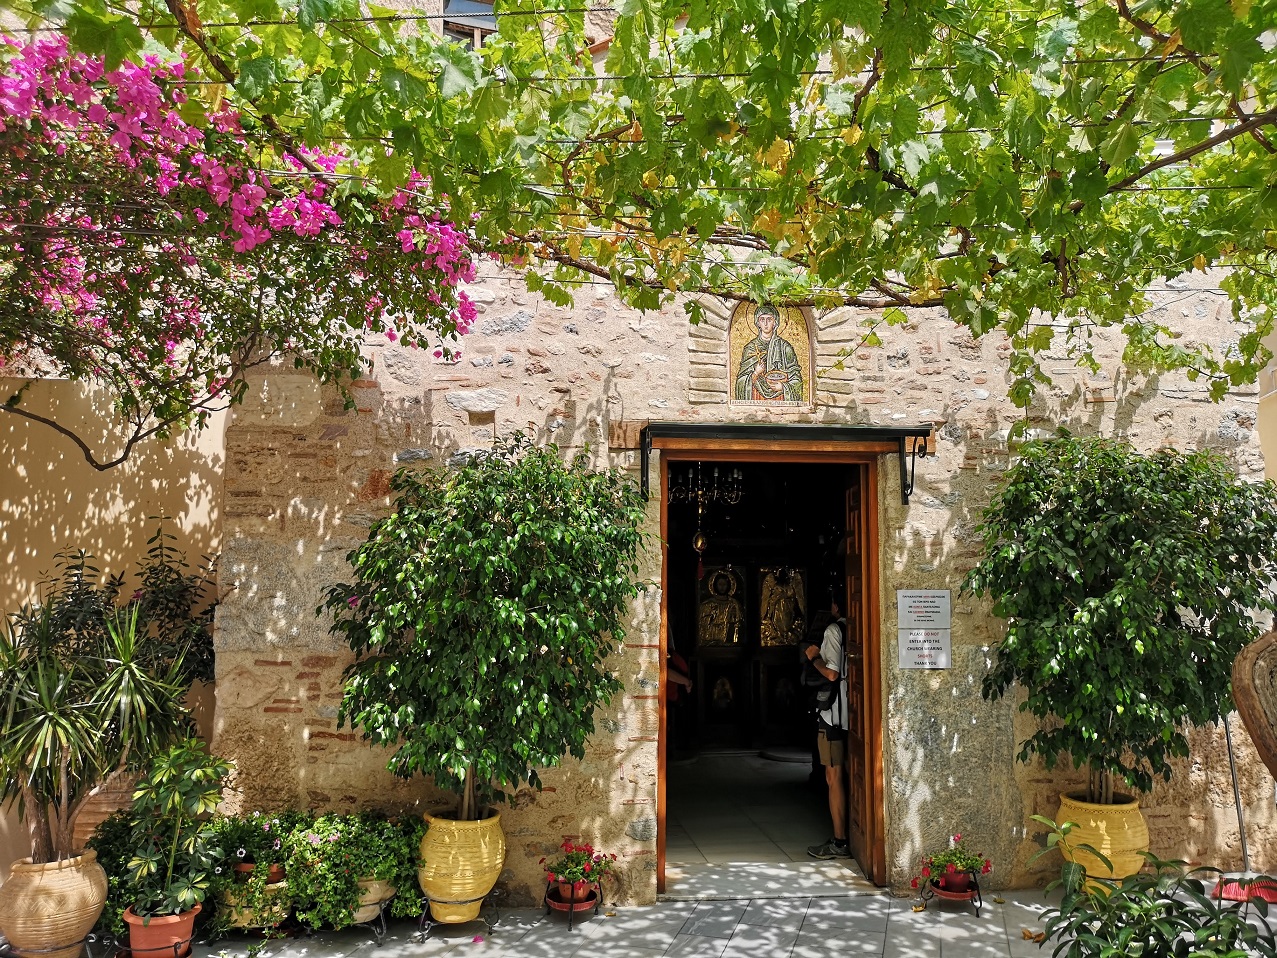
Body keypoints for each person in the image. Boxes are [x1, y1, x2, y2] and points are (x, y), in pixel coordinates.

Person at [805, 599, 850, 860]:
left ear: (835, 605)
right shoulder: (860, 628)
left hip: (835, 715)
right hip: (856, 713)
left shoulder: (834, 631)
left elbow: (832, 674)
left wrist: (814, 658)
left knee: (833, 778)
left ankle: (840, 842)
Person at [734, 304, 804, 402]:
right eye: (762, 319)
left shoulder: (785, 347)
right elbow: (740, 382)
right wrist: (755, 373)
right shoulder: (750, 348)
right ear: (757, 323)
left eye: (769, 319)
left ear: (775, 322)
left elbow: (797, 379)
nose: (766, 324)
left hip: (780, 399)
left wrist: (783, 387)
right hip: (756, 398)